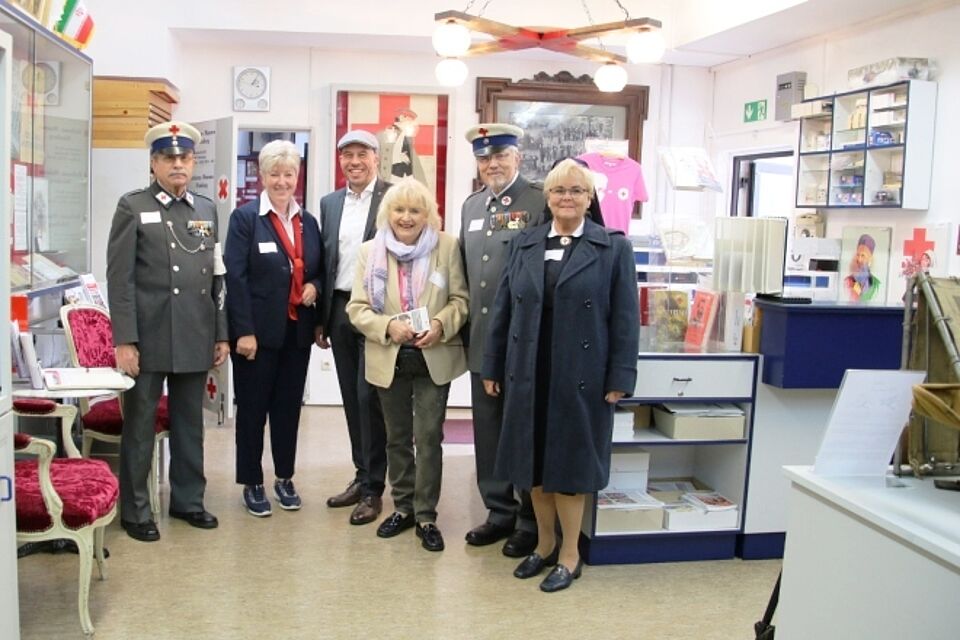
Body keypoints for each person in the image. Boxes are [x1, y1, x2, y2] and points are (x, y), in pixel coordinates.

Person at [482, 159, 639, 592]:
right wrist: (493, 364)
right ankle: (544, 543)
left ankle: (570, 554)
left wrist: (620, 375)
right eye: (558, 191)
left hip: (582, 374)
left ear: (590, 199)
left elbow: (626, 319)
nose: (566, 198)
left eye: (575, 190)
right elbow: (503, 309)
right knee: (531, 465)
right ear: (547, 197)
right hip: (528, 369)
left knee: (569, 466)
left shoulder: (613, 248)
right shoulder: (525, 243)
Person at [106, 121, 230, 542]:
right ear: (154, 163)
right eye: (169, 158)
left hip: (196, 331)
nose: (178, 165)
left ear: (194, 162)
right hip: (149, 334)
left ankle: (188, 501)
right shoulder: (133, 206)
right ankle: (136, 510)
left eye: (185, 158)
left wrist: (221, 333)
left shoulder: (206, 209)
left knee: (190, 424)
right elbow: (119, 280)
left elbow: (218, 278)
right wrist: (124, 339)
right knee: (140, 424)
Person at [346, 177, 468, 552]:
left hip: (433, 354)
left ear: (427, 214)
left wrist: (439, 324)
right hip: (390, 354)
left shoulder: (446, 246)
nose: (406, 217)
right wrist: (388, 326)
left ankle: (426, 514)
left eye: (415, 210)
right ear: (388, 213)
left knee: (428, 436)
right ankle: (402, 508)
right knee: (396, 437)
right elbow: (357, 308)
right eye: (399, 209)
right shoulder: (370, 250)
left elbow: (460, 299)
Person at [224, 140, 323, 517]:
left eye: (289, 174)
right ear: (262, 177)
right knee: (252, 411)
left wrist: (314, 283)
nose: (283, 181)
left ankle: (284, 477)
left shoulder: (308, 221)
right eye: (275, 174)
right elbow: (236, 277)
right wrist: (243, 331)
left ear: (297, 177)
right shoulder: (245, 219)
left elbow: (316, 267)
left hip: (296, 335)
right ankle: (251, 481)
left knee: (287, 411)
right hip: (257, 337)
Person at [460, 123, 545, 558]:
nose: (492, 164)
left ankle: (531, 518)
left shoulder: (540, 200)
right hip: (481, 340)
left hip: (524, 342)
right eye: (484, 158)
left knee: (523, 429)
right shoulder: (471, 205)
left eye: (500, 155)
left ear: (518, 157)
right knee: (488, 429)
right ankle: (498, 511)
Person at [318, 130, 391, 525]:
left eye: (362, 154)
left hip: (380, 313)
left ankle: (374, 488)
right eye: (347, 155)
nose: (354, 161)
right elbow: (325, 261)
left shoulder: (393, 197)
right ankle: (362, 475)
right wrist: (323, 320)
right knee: (351, 398)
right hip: (342, 309)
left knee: (370, 399)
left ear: (376, 158)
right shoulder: (330, 203)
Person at [377, 108, 427, 185]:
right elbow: (380, 159)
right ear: (401, 118)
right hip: (393, 178)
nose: (412, 123)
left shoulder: (407, 136)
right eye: (410, 120)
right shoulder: (384, 135)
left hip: (408, 178)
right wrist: (399, 158)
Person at [844, 233, 881, 302]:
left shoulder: (876, 285)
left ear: (870, 258)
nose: (859, 259)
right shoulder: (847, 281)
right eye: (858, 255)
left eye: (863, 255)